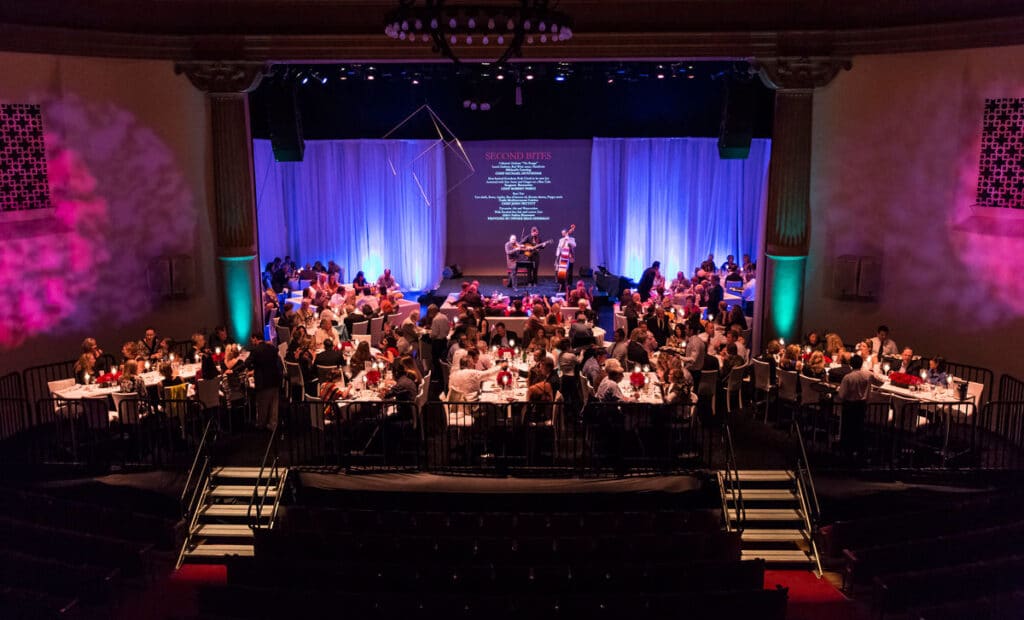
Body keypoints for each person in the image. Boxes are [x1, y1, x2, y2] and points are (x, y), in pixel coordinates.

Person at [837, 355, 882, 458]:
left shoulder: (848, 377)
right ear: (861, 364)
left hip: (849, 405)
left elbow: (841, 395)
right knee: (859, 428)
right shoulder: (868, 375)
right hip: (861, 405)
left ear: (850, 365)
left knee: (848, 428)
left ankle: (846, 452)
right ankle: (858, 450)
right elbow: (880, 383)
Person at [246, 335, 283, 430]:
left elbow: (247, 363)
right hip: (275, 379)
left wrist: (235, 370)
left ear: (255, 338)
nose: (252, 343)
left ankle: (261, 425)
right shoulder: (272, 348)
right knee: (274, 405)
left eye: (252, 340)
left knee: (262, 404)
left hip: (263, 381)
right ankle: (273, 425)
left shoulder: (256, 350)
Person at [554, 227, 577, 293]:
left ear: (566, 233)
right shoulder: (561, 240)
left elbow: (574, 245)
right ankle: (562, 284)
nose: (562, 234)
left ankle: (569, 284)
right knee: (562, 271)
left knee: (569, 271)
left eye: (563, 233)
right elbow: (560, 247)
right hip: (563, 256)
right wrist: (557, 257)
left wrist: (568, 239)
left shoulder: (572, 239)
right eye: (562, 233)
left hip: (569, 256)